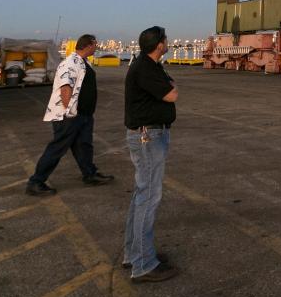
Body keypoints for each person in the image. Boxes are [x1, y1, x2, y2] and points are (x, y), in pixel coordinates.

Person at [123, 25, 179, 283]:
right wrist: (169, 86)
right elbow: (172, 93)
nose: (168, 42)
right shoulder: (146, 68)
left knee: (140, 195)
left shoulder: (148, 65)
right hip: (149, 138)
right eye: (165, 39)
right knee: (148, 197)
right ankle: (144, 265)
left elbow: (168, 88)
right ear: (159, 44)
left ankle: (135, 253)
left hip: (148, 135)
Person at [26, 34, 114, 195]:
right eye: (96, 44)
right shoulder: (70, 63)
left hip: (84, 115)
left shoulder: (83, 62)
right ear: (89, 45)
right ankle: (36, 181)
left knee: (84, 146)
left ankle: (90, 174)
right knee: (57, 148)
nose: (97, 47)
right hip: (70, 116)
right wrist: (69, 112)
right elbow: (65, 88)